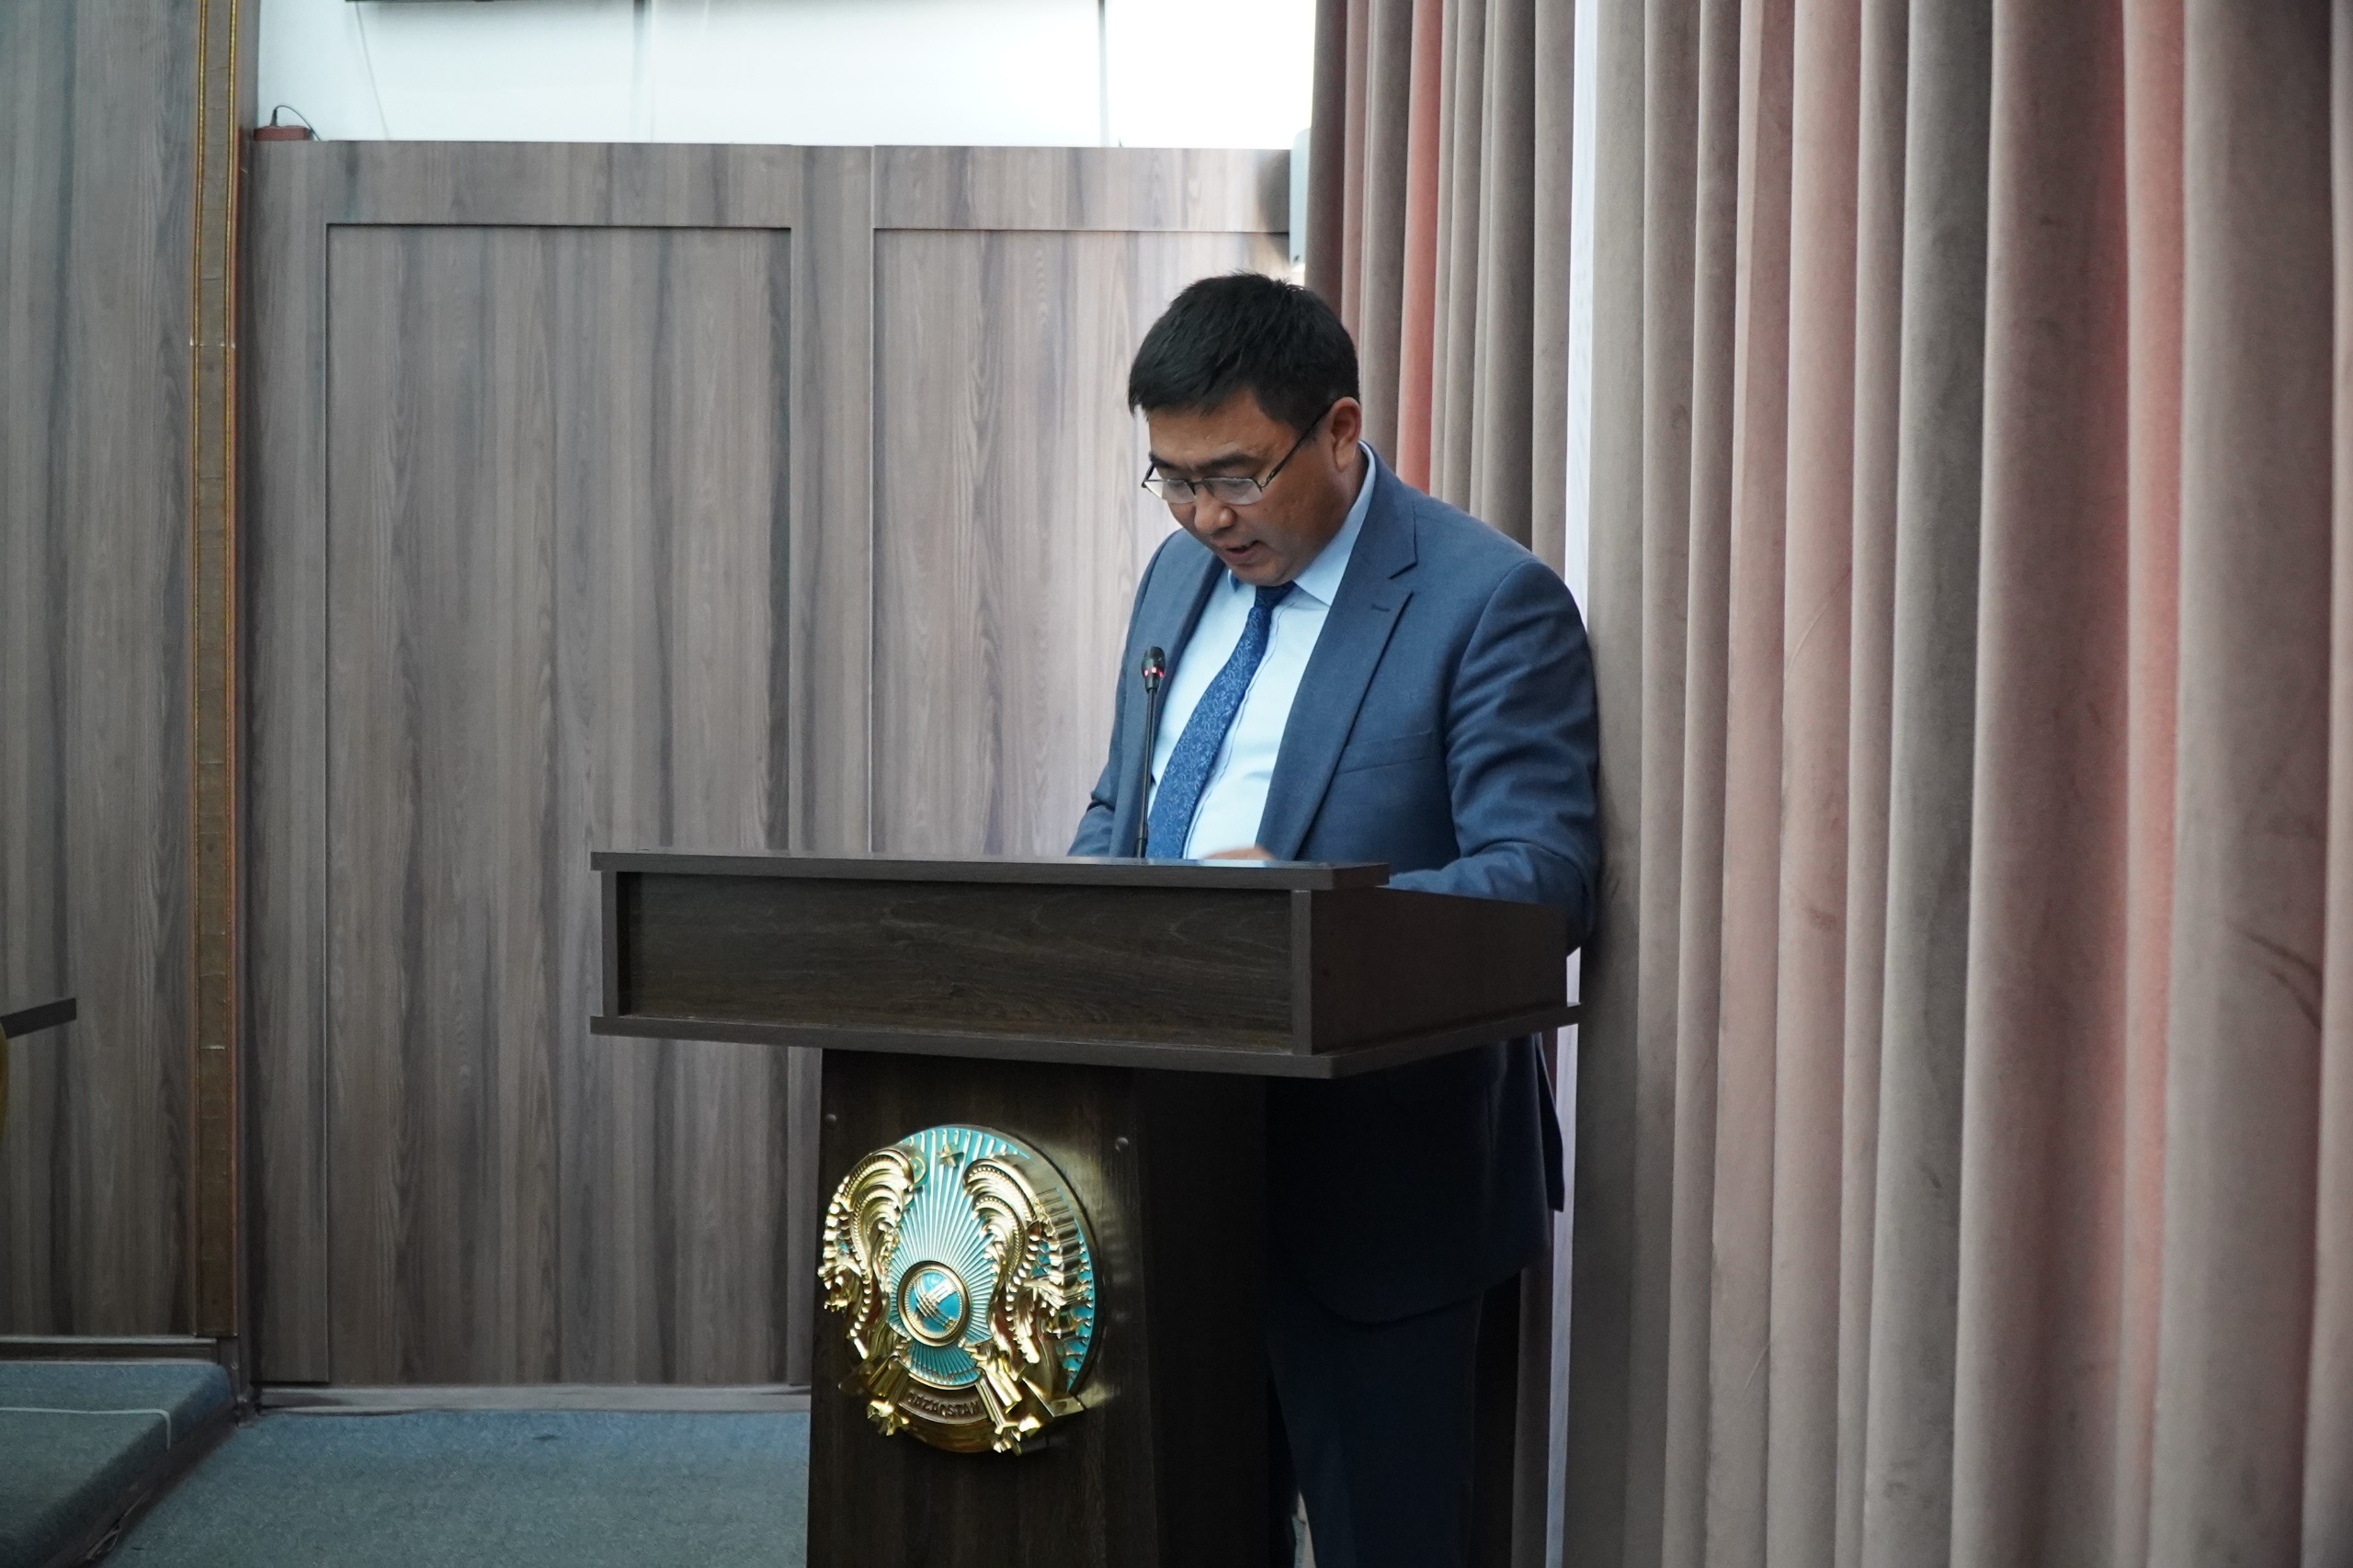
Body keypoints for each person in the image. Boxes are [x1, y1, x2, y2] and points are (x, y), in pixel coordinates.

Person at [1069, 273, 1600, 1568]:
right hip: (1161, 1167)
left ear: (1342, 429)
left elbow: (1541, 881)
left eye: (1236, 476)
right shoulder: (1175, 581)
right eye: (1173, 479)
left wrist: (1308, 920)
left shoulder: (1487, 600)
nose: (1205, 515)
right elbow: (1120, 810)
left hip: (1382, 1188)